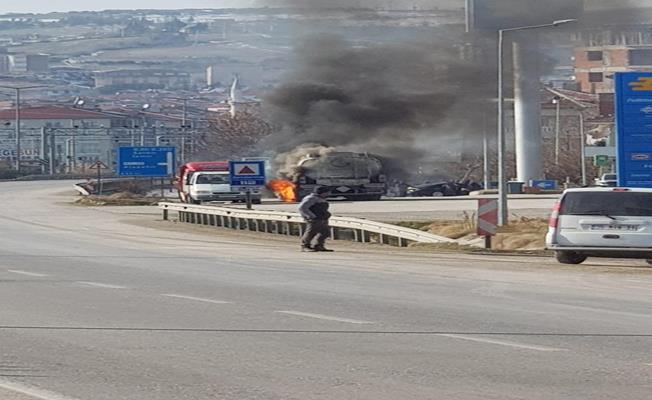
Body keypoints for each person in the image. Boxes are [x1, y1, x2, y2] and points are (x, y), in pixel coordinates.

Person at [298, 186, 333, 252]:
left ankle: (318, 245)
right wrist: (311, 216)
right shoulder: (311, 198)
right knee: (311, 232)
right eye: (327, 192)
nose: (329, 193)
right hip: (314, 219)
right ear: (322, 192)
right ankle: (305, 246)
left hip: (322, 218)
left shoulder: (321, 198)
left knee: (325, 232)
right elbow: (302, 208)